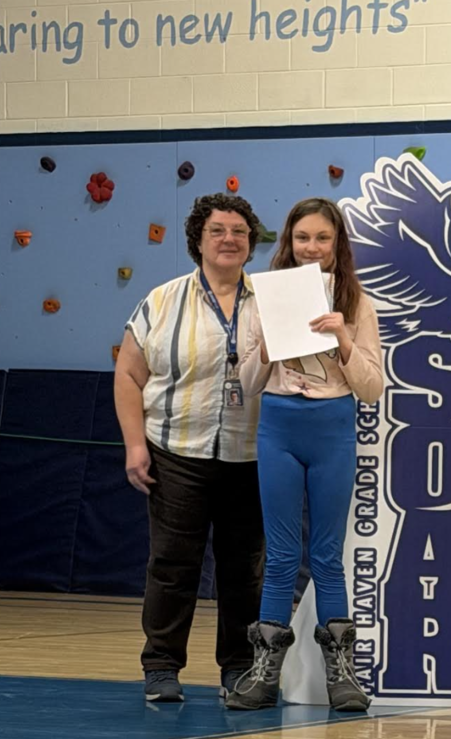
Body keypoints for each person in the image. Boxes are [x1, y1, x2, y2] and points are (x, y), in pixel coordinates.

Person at [227, 197, 384, 712]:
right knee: (280, 555)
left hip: (332, 427)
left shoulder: (358, 304)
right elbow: (247, 383)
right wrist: (269, 344)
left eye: (322, 238)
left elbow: (371, 388)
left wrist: (341, 334)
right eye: (301, 238)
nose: (311, 247)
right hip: (279, 425)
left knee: (326, 555)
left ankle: (341, 673)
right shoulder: (259, 299)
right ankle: (264, 673)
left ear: (337, 244)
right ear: (288, 243)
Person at [114, 194, 266, 703]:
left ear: (251, 242)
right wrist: (136, 445)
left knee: (243, 570)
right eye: (218, 230)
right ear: (198, 241)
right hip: (177, 453)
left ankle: (239, 667)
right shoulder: (161, 301)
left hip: (252, 456)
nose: (229, 239)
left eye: (240, 231)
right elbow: (129, 375)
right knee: (173, 565)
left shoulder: (272, 300)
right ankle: (160, 666)